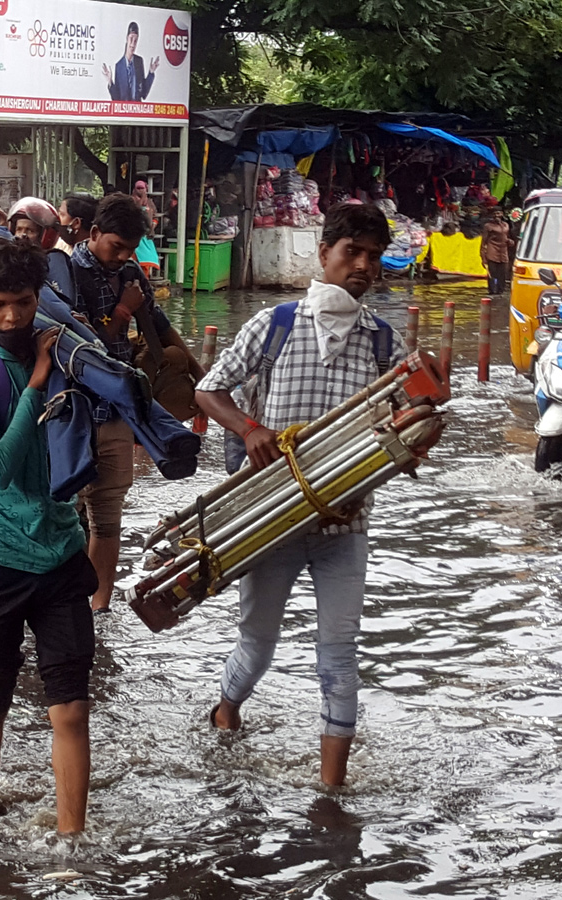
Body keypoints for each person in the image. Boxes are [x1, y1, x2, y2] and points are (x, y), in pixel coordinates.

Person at [193, 202, 400, 787]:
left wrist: (377, 477)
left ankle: (331, 787)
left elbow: (407, 428)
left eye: (372, 256)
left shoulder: (383, 344)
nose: (362, 265)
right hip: (272, 522)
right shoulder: (275, 325)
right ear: (324, 254)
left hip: (345, 526)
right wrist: (250, 429)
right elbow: (210, 391)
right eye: (351, 252)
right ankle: (227, 708)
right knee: (258, 642)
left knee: (339, 651)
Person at [0, 238, 98, 834]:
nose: (12, 317)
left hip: (61, 553)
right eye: (0, 304)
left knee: (72, 705)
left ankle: (71, 841)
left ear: (40, 300)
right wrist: (35, 384)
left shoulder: (62, 352)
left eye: (24, 303)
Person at [70, 193, 204, 612]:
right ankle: (67, 602)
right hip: (73, 412)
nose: (124, 257)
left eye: (130, 249)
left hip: (118, 410)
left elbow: (161, 329)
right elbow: (83, 350)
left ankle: (99, 604)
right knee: (65, 513)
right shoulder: (67, 275)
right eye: (116, 247)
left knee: (108, 515)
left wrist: (202, 380)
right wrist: (124, 312)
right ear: (93, 234)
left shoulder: (129, 273)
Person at [103, 22, 158, 102]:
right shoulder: (119, 66)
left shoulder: (139, 61)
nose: (133, 44)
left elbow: (144, 93)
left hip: (138, 111)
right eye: (131, 38)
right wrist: (110, 82)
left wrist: (151, 73)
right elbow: (117, 99)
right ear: (127, 38)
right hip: (124, 112)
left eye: (135, 40)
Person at [480, 208, 515, 295]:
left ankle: (501, 290)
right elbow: (483, 241)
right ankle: (492, 291)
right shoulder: (488, 226)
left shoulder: (506, 225)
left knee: (503, 273)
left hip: (503, 252)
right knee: (492, 273)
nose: (496, 215)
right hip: (492, 251)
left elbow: (507, 237)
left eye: (498, 213)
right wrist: (483, 256)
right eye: (494, 213)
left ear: (502, 214)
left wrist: (510, 242)